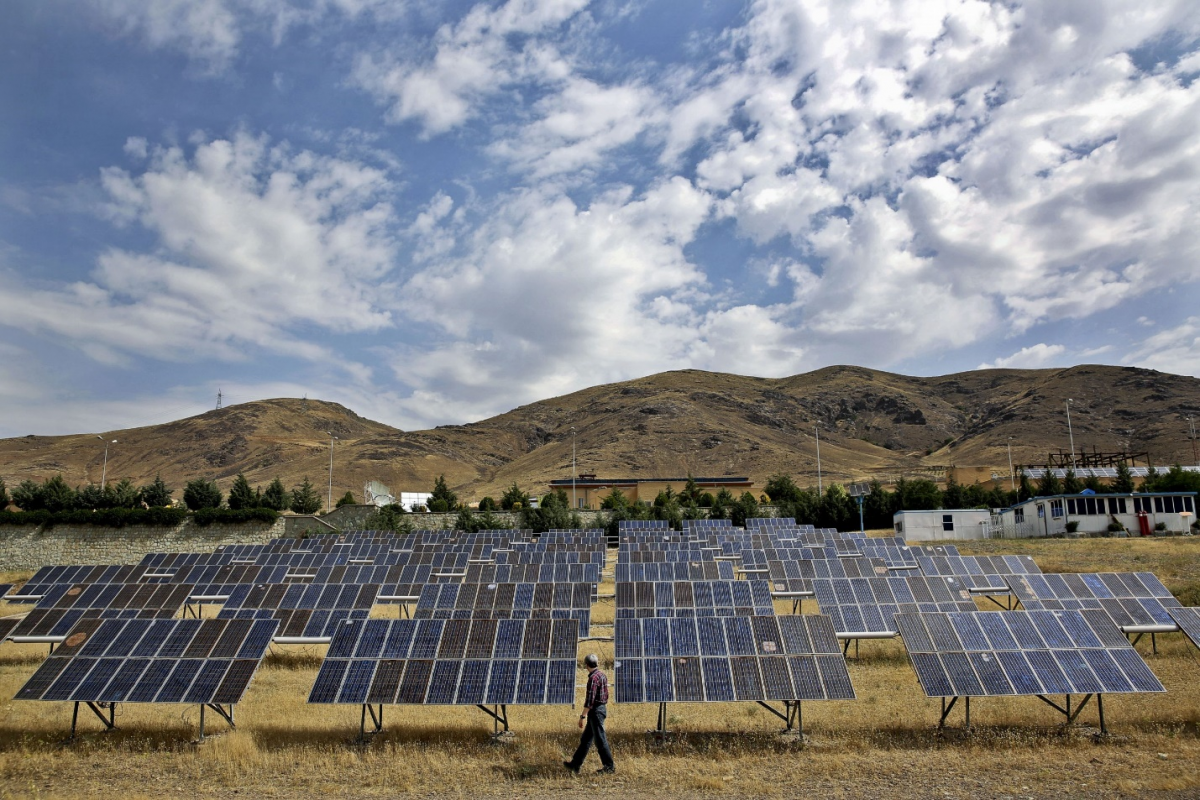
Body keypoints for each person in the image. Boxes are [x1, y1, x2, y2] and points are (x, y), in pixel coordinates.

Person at [564, 653, 614, 774]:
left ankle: (609, 767)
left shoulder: (593, 679)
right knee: (586, 739)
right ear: (596, 663)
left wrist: (582, 716)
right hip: (600, 709)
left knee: (600, 740)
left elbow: (590, 700)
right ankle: (575, 764)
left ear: (586, 665)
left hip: (595, 711)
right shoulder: (602, 675)